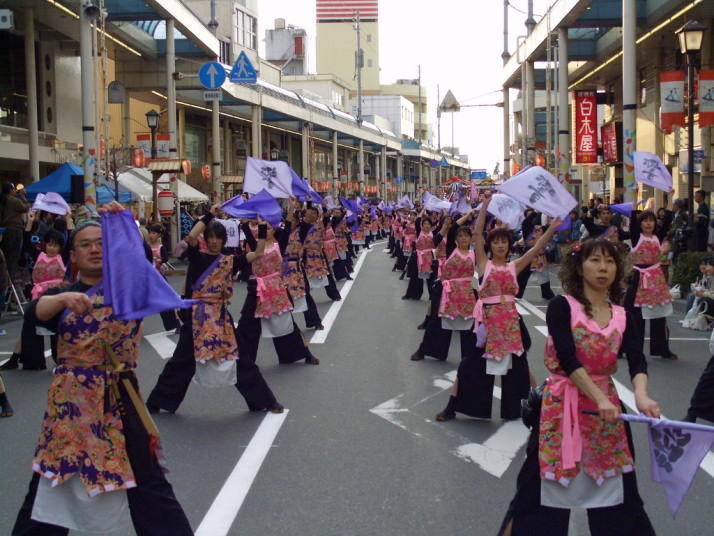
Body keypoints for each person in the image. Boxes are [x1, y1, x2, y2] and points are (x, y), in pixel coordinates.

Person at [10, 205, 193, 535]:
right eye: (85, 244)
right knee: (53, 477)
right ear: (73, 255)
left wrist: (122, 222)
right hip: (72, 405)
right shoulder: (60, 293)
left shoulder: (131, 289)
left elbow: (139, 258)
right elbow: (36, 312)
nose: (94, 249)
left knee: (148, 482)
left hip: (121, 397)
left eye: (101, 242)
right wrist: (63, 298)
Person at [497, 238, 659, 536]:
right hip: (561, 408)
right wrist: (599, 398)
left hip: (605, 414)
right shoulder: (563, 307)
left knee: (622, 493)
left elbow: (637, 360)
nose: (603, 268)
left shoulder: (622, 315)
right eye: (595, 260)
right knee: (535, 493)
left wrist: (642, 395)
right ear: (580, 267)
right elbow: (568, 359)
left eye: (609, 261)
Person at [146, 205, 283, 415]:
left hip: (220, 317)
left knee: (241, 358)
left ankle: (264, 401)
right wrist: (211, 214)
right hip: (196, 318)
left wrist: (262, 227)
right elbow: (191, 236)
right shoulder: (198, 257)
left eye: (218, 237)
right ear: (205, 238)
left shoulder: (230, 261)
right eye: (210, 237)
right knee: (181, 361)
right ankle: (157, 401)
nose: (213, 241)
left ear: (223, 240)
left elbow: (257, 253)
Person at [436, 193, 560, 421]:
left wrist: (553, 226)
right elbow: (477, 233)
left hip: (511, 324)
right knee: (468, 368)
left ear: (509, 244)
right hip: (486, 325)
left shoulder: (515, 266)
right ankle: (452, 407)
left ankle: (530, 407)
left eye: (504, 241)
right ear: (491, 245)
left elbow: (537, 247)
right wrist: (484, 206)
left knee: (520, 368)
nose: (501, 245)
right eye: (496, 241)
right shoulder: (484, 263)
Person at [625, 208, 677, 360]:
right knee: (633, 316)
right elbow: (633, 220)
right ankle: (631, 349)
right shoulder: (636, 236)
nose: (648, 224)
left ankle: (662, 349)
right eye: (644, 221)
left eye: (651, 220)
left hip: (656, 279)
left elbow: (667, 221)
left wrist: (670, 196)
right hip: (638, 278)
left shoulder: (658, 237)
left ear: (655, 223)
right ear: (640, 224)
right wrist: (634, 197)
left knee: (660, 315)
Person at [1, 182, 29, 285]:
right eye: (13, 189)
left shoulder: (3, 200)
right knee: (14, 257)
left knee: (7, 257)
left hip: (5, 230)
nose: (14, 191)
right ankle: (10, 282)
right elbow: (26, 208)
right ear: (10, 190)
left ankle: (6, 281)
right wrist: (22, 196)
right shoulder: (13, 201)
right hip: (15, 230)